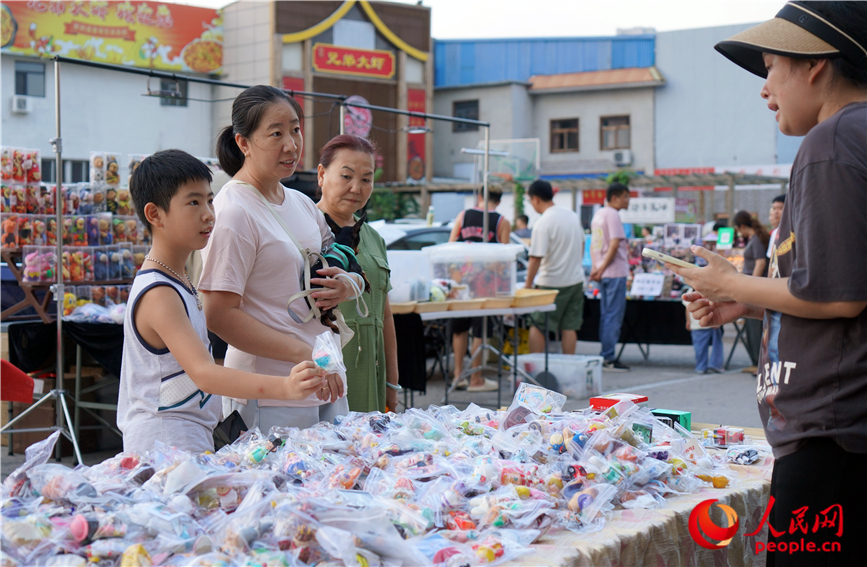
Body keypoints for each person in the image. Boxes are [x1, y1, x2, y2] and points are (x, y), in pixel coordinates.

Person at [679, 3, 867, 564]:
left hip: (829, 436)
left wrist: (732, 278)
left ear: (816, 65)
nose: (765, 89)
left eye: (770, 67)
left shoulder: (831, 143)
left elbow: (840, 296)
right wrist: (745, 301)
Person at [119, 149, 329, 455]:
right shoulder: (159, 292)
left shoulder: (177, 281)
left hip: (187, 436)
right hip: (162, 443)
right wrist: (284, 388)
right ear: (155, 214)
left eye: (209, 200)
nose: (208, 213)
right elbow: (204, 373)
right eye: (193, 202)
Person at [200, 85, 363, 432]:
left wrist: (345, 286)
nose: (291, 144)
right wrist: (303, 354)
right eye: (276, 134)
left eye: (295, 130)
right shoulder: (234, 212)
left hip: (325, 377)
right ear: (243, 143)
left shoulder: (301, 202)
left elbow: (338, 258)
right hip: (270, 393)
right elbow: (219, 314)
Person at [315, 134, 400, 412]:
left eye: (366, 179)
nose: (356, 188)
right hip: (326, 374)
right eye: (346, 176)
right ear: (321, 175)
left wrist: (391, 382)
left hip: (372, 372)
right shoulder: (305, 232)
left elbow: (384, 314)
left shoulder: (374, 238)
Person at [447, 189, 510, 391]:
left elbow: (450, 246)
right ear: (498, 201)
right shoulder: (502, 222)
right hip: (485, 285)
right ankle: (475, 379)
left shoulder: (463, 216)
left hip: (461, 282)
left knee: (459, 328)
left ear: (480, 197)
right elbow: (504, 258)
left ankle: (458, 375)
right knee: (481, 331)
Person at [523, 179, 585, 356]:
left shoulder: (543, 223)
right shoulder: (572, 215)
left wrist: (528, 285)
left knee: (538, 325)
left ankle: (534, 367)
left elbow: (535, 258)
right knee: (569, 327)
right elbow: (581, 244)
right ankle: (568, 368)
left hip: (550, 283)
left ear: (535, 199)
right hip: (575, 280)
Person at [589, 183, 631, 371]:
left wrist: (596, 268)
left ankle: (606, 354)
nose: (627, 200)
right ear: (615, 198)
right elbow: (614, 245)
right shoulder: (613, 215)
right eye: (625, 197)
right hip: (614, 272)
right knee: (613, 315)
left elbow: (594, 244)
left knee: (607, 315)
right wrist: (603, 267)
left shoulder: (598, 214)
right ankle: (608, 356)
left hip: (603, 271)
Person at [733, 210, 771, 369]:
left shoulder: (755, 240)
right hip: (754, 285)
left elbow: (760, 263)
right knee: (753, 326)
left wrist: (751, 284)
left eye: (737, 229)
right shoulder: (756, 238)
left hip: (754, 288)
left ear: (742, 226)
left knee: (754, 327)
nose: (738, 233)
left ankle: (757, 362)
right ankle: (756, 361)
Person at [683, 286, 724, 374]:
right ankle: (705, 366)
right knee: (702, 347)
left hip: (709, 323)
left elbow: (714, 306)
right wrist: (688, 321)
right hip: (698, 324)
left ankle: (712, 365)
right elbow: (687, 308)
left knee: (712, 345)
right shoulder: (691, 291)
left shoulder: (708, 289)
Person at [766, 194, 785, 264]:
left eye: (780, 208)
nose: (776, 212)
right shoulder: (775, 233)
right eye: (774, 209)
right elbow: (771, 260)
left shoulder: (797, 231)